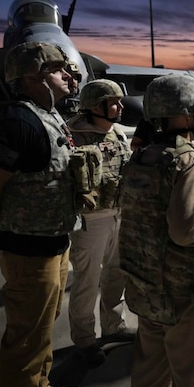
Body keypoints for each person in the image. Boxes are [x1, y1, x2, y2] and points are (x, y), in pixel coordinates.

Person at [0, 41, 83, 387]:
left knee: (42, 328)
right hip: (29, 251)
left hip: (54, 243)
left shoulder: (47, 116)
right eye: (56, 68)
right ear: (33, 76)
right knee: (25, 337)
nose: (67, 73)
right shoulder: (18, 121)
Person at [118, 74, 194, 387]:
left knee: (150, 375)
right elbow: (187, 229)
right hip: (185, 294)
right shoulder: (190, 162)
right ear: (186, 114)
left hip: (147, 285)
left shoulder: (143, 157)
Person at [65, 79, 133, 367]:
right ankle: (84, 339)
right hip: (90, 220)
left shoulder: (117, 133)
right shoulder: (73, 136)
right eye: (113, 102)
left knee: (117, 273)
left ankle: (114, 326)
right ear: (95, 106)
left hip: (119, 213)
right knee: (87, 279)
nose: (119, 107)